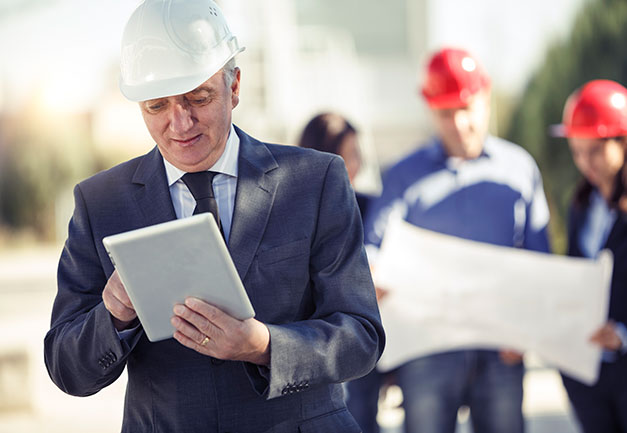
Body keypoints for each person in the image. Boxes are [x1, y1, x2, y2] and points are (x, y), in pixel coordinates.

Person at [43, 1, 384, 432]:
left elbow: (361, 337)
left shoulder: (316, 181)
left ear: (235, 85)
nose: (179, 122)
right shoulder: (102, 204)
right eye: (156, 106)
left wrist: (264, 345)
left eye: (198, 98)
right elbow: (66, 368)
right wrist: (111, 315)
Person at [363, 47, 550, 433]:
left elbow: (540, 259)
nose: (460, 123)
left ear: (486, 99)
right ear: (430, 110)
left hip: (502, 344)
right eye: (447, 113)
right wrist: (372, 269)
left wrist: (529, 329)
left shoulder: (519, 169)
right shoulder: (403, 175)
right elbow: (373, 246)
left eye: (467, 109)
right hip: (428, 347)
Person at [556, 79, 627, 433]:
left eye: (594, 151)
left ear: (625, 143)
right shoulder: (580, 206)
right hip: (589, 379)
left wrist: (626, 333)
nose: (584, 162)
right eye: (577, 151)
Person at [298, 112, 386, 432]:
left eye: (356, 156)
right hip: (314, 347)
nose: (352, 167)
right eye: (344, 157)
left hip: (363, 345)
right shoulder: (290, 211)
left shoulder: (371, 206)